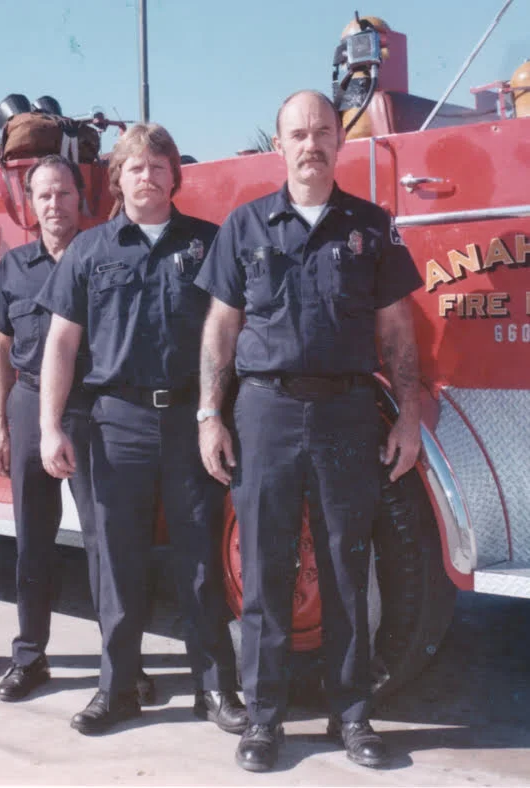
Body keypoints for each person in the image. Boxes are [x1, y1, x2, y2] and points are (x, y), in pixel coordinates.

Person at [195, 90, 423, 772]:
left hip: (348, 411)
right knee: (264, 570)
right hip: (263, 410)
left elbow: (397, 332)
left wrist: (409, 416)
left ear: (340, 140)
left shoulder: (371, 226)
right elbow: (220, 328)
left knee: (347, 568)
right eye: (298, 132)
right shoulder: (244, 227)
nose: (311, 143)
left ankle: (351, 718)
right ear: (279, 142)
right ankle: (264, 723)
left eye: (323, 130)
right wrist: (211, 413)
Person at [36, 124, 245, 736]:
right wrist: (51, 426)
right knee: (117, 561)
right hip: (115, 424)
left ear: (174, 177)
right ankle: (117, 690)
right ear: (117, 179)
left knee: (200, 561)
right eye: (135, 168)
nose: (147, 177)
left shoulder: (211, 244)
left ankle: (217, 689)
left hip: (191, 421)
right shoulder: (89, 251)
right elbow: (61, 345)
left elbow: (233, 334)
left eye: (158, 167)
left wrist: (220, 415)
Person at [0, 154, 154, 706]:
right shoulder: (12, 267)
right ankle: (29, 657)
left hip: (97, 409)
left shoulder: (106, 253)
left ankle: (121, 666)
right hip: (31, 404)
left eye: (64, 194)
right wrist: (2, 424)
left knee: (109, 543)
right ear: (32, 205)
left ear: (83, 198)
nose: (55, 205)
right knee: (32, 538)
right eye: (44, 196)